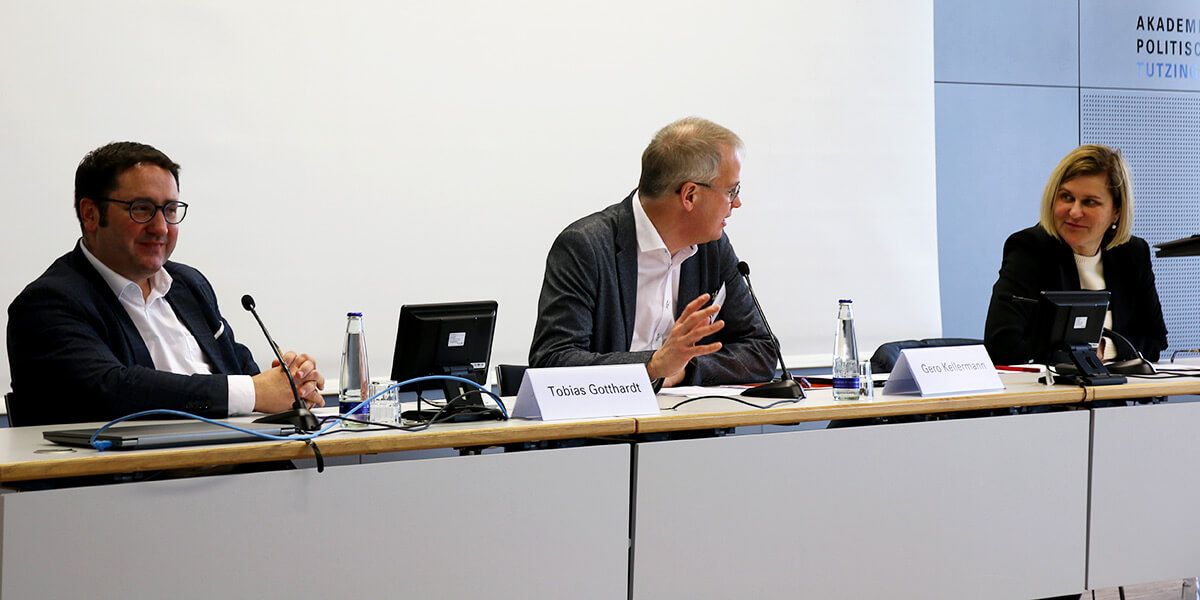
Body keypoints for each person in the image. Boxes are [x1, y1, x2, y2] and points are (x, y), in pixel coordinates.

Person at [7, 142, 325, 426]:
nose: (161, 227)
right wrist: (255, 391)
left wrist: (292, 383)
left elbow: (241, 369)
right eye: (142, 209)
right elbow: (112, 390)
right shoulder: (48, 303)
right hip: (133, 473)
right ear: (90, 214)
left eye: (170, 210)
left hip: (238, 462)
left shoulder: (188, 285)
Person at [529, 117, 776, 387]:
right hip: (609, 414)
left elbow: (762, 350)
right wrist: (652, 366)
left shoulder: (711, 248)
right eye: (731, 191)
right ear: (690, 195)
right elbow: (552, 360)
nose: (737, 203)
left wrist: (683, 370)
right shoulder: (585, 246)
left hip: (688, 414)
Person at [984, 144, 1167, 366]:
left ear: (1116, 212)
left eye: (1089, 202)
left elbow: (1155, 340)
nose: (1074, 212)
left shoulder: (1132, 254)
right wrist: (1085, 355)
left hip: (1117, 387)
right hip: (1049, 387)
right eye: (1066, 197)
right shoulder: (1030, 248)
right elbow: (1002, 346)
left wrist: (1104, 348)